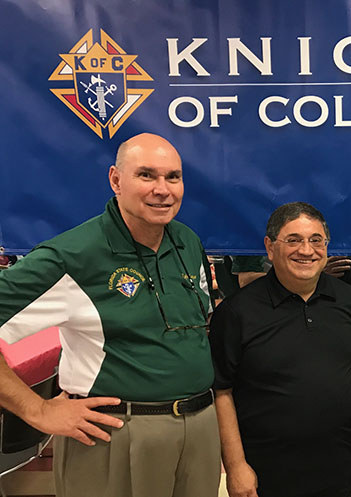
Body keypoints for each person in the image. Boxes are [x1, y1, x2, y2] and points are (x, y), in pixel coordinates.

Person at [0, 133, 220, 497]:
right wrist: (36, 410)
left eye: (173, 177)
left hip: (199, 429)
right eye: (146, 175)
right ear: (116, 180)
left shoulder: (186, 241)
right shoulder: (72, 256)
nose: (162, 190)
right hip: (117, 435)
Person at [209, 202, 351, 497]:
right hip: (265, 470)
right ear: (269, 247)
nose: (307, 250)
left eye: (316, 240)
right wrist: (236, 464)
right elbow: (221, 391)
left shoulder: (348, 300)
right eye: (293, 240)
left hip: (338, 467)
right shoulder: (237, 312)